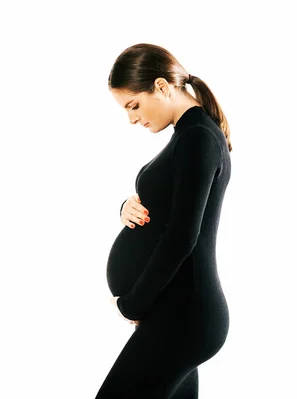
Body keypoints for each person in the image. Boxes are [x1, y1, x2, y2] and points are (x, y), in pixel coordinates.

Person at [96, 43, 233, 398]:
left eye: (134, 105)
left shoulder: (198, 138)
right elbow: (169, 208)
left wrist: (134, 302)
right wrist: (126, 205)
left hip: (184, 316)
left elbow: (182, 236)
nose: (132, 118)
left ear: (161, 86)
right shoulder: (189, 136)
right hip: (180, 313)